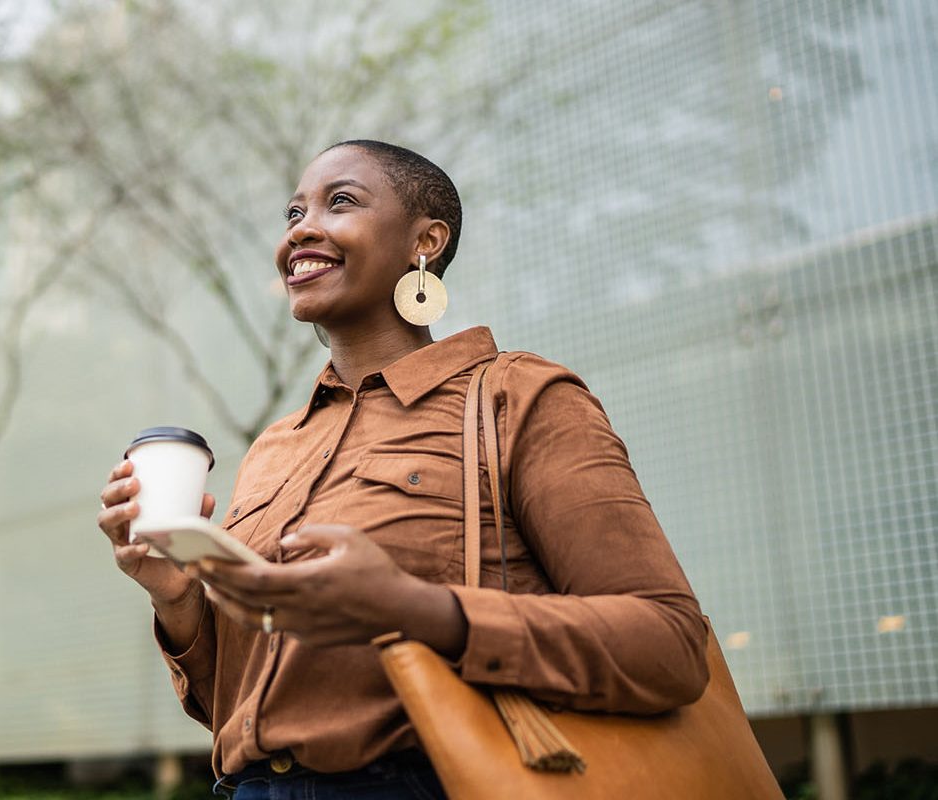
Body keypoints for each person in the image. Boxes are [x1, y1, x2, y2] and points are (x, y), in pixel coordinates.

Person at [96, 140, 709, 799]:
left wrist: (413, 608)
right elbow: (238, 708)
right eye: (293, 212)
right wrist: (175, 594)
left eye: (340, 202)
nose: (301, 228)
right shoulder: (276, 446)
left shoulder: (518, 398)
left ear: (426, 241)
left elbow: (669, 646)